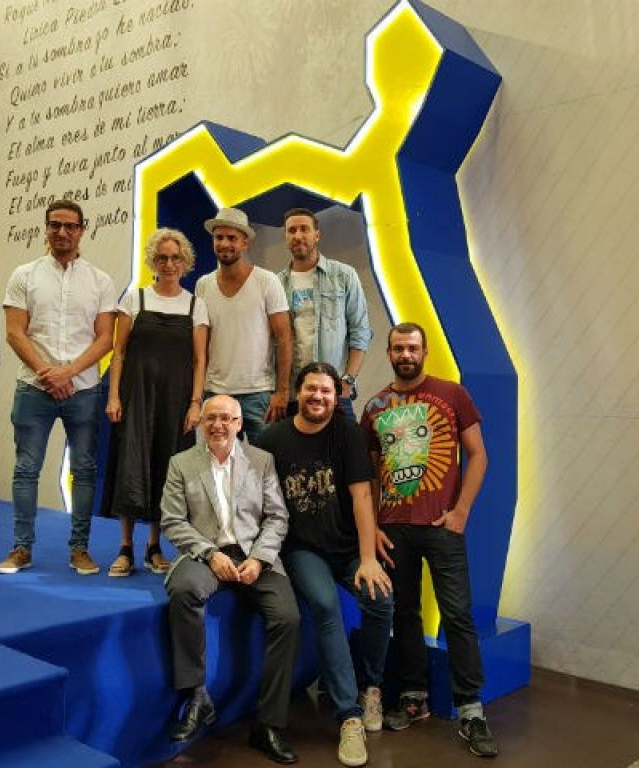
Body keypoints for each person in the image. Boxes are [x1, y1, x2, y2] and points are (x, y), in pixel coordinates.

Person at [360, 322, 500, 758]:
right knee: (404, 613)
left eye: (413, 348)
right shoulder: (374, 406)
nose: (406, 354)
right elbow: (370, 475)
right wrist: (374, 526)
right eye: (399, 348)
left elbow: (478, 455)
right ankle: (413, 697)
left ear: (425, 352)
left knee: (457, 615)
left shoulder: (452, 394)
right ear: (389, 353)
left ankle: (471, 710)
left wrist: (461, 512)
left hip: (441, 527)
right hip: (392, 530)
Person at [256, 362, 393, 767]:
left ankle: (371, 687)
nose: (318, 397)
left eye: (326, 391)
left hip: (347, 547)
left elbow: (362, 497)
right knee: (325, 605)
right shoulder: (272, 440)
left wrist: (367, 559)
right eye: (311, 389)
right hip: (303, 549)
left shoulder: (348, 434)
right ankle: (348, 717)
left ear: (336, 397)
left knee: (381, 599)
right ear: (298, 393)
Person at [161, 395, 300, 764]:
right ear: (201, 422)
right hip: (206, 553)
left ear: (240, 424)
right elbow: (173, 521)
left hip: (255, 554)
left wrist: (259, 558)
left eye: (227, 418)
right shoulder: (181, 463)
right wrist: (210, 554)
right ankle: (197, 695)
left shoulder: (261, 460)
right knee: (183, 589)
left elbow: (277, 517)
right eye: (211, 418)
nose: (218, 425)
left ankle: (267, 724)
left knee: (288, 617)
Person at [0, 200, 117, 576]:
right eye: (55, 225)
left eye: (70, 226)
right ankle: (22, 548)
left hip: (84, 390)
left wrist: (69, 373)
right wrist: (48, 373)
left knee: (84, 470)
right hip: (34, 388)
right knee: (26, 469)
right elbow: (15, 333)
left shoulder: (100, 281)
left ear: (82, 230)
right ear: (46, 228)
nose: (62, 232)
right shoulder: (24, 275)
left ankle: (80, 549)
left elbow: (105, 338)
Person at [101, 228, 209, 577]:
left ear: (185, 262)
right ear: (153, 261)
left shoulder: (196, 305)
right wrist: (114, 395)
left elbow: (200, 361)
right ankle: (125, 548)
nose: (169, 264)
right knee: (131, 466)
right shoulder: (134, 299)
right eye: (162, 257)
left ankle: (154, 547)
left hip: (176, 402)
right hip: (136, 397)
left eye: (175, 258)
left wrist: (195, 403)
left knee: (168, 471)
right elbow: (118, 353)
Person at [194, 207, 292, 444]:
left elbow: (285, 338)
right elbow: (201, 347)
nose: (224, 244)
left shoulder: (267, 281)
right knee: (217, 462)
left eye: (232, 238)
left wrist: (282, 391)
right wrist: (197, 397)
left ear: (245, 243)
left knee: (266, 460)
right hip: (215, 392)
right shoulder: (203, 285)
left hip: (258, 394)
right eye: (219, 237)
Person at [278, 208, 372, 420]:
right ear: (286, 237)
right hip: (293, 395)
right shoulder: (275, 283)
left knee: (346, 442)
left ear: (317, 235)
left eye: (304, 229)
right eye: (291, 230)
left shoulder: (343, 275)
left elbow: (361, 331)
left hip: (334, 392)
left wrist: (347, 381)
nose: (298, 236)